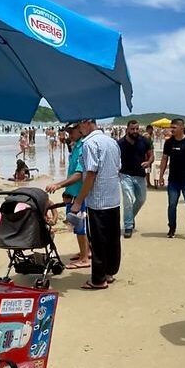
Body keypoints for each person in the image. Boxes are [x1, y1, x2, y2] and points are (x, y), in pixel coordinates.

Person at [71, 120, 121, 290]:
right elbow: (117, 167)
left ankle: (99, 279)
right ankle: (110, 272)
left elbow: (90, 174)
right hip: (113, 197)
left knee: (99, 241)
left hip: (98, 200)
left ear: (86, 124)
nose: (79, 130)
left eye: (79, 127)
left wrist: (78, 201)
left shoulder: (90, 143)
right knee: (113, 238)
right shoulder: (112, 142)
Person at [46, 123, 91, 269]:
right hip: (73, 193)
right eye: (68, 132)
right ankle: (85, 252)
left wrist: (59, 185)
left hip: (80, 194)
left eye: (72, 131)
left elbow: (78, 174)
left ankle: (85, 258)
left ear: (80, 130)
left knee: (80, 226)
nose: (69, 134)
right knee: (76, 225)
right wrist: (67, 191)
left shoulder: (83, 147)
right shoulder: (75, 146)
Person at [158, 118, 185, 240]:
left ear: (181, 128)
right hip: (173, 180)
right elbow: (164, 159)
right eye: (171, 127)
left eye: (174, 128)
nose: (171, 130)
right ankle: (172, 228)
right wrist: (161, 176)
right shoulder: (169, 142)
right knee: (172, 205)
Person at [118, 120, 154, 239]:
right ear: (127, 129)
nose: (135, 131)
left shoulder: (144, 141)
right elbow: (115, 159)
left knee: (141, 199)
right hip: (125, 175)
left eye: (137, 129)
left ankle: (130, 216)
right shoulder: (120, 143)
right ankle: (128, 226)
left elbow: (151, 155)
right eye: (132, 129)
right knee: (128, 199)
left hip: (140, 175)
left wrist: (148, 162)